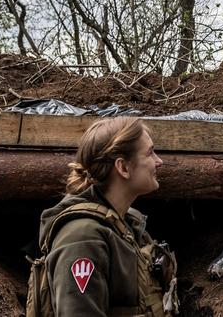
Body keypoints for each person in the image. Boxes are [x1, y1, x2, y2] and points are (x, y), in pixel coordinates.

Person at [35, 117, 173, 316]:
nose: (159, 161)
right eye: (150, 153)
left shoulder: (125, 224)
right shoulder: (82, 238)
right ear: (123, 168)